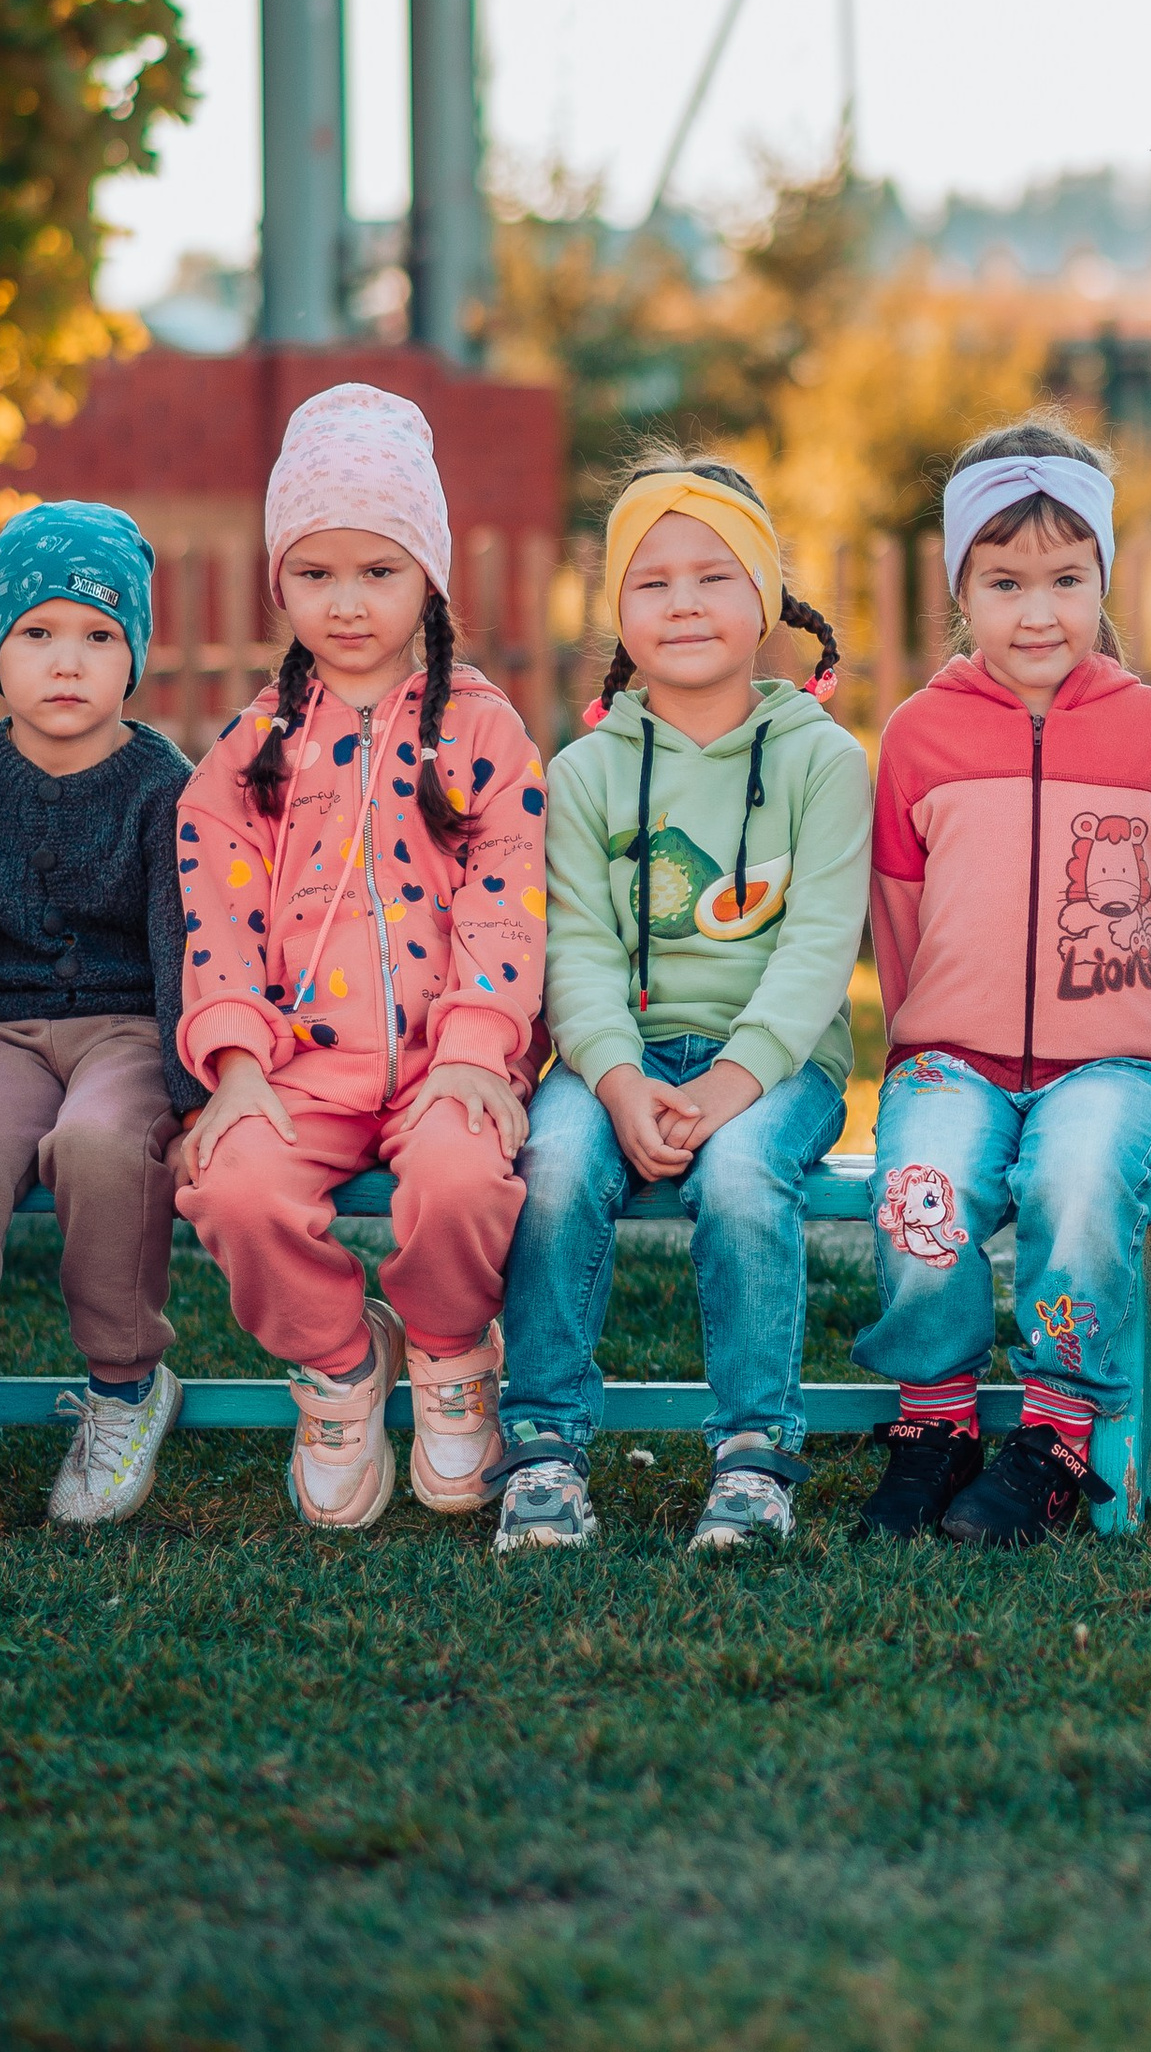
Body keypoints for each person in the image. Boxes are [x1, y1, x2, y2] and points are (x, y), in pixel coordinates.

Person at [174, 385, 546, 1529]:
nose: (346, 602)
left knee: (459, 1179)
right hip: (303, 1066)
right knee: (232, 1186)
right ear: (279, 581)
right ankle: (339, 1362)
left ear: (427, 579)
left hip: (449, 1057)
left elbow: (508, 893)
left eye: (378, 572)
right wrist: (236, 1062)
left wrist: (483, 1047)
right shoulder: (250, 753)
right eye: (316, 572)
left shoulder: (481, 730)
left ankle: (445, 1348)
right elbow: (214, 919)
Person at [855, 418, 1151, 1548]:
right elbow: (898, 918)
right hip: (950, 1054)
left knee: (1073, 1175)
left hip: (1115, 1062)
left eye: (1067, 579)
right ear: (960, 585)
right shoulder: (917, 736)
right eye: (1004, 580)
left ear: (1100, 579)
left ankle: (1056, 1437)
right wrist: (923, 1046)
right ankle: (936, 1425)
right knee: (921, 1187)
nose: (1036, 611)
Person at [492, 453, 869, 1555]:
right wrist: (613, 1078)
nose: (686, 602)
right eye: (652, 582)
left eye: (714, 575)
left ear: (764, 599)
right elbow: (576, 947)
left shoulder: (822, 758)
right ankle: (545, 1451)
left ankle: (754, 1457)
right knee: (553, 1169)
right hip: (616, 1056)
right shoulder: (585, 772)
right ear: (617, 610)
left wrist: (729, 1082)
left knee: (747, 1177)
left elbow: (816, 947)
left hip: (777, 1063)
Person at [0, 502, 201, 1523]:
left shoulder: (163, 786)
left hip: (127, 1027)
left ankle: (125, 1387)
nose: (65, 661)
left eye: (97, 633)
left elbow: (182, 950)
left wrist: (193, 1093)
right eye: (35, 632)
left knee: (99, 1147)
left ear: (135, 657)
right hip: (9, 1035)